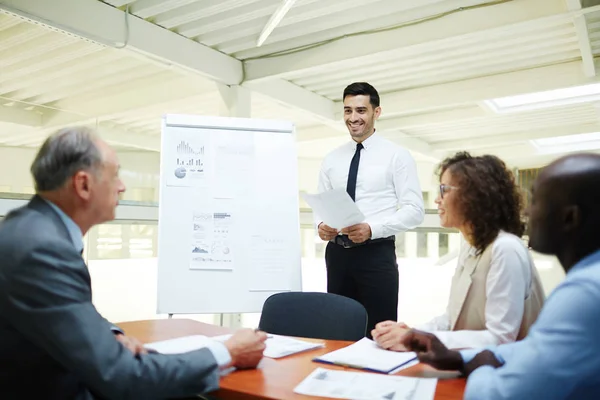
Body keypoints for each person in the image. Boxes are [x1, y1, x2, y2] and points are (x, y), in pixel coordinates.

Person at [0, 126, 267, 399]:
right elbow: (123, 376)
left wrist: (112, 334)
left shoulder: (26, 228)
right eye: (115, 174)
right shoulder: (43, 249)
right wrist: (227, 352)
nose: (122, 186)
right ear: (83, 184)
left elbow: (66, 312)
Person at [398, 153, 600, 399]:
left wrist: (478, 365)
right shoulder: (471, 248)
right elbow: (525, 348)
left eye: (536, 200)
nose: (526, 209)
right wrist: (418, 335)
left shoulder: (582, 293)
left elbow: (499, 389)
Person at [372, 152, 545, 350]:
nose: (437, 200)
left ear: (475, 196)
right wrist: (413, 333)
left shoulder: (505, 249)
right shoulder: (470, 245)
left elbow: (501, 338)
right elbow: (451, 319)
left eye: (444, 190)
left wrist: (417, 341)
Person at [315, 82, 424, 336]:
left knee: (379, 334)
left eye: (361, 110)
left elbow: (414, 210)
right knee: (338, 333)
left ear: (377, 112)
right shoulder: (331, 159)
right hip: (337, 257)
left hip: (376, 256)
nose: (353, 118)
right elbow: (321, 204)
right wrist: (320, 226)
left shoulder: (397, 155)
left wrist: (371, 229)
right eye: (348, 110)